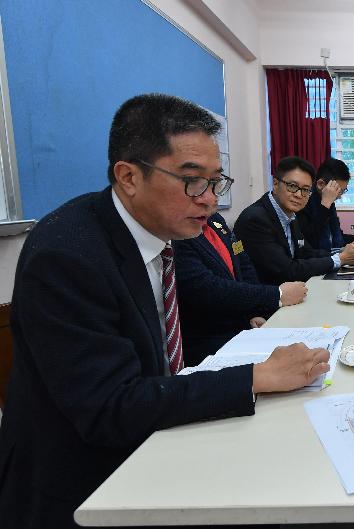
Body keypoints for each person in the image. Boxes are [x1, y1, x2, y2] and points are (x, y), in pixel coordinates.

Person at [0, 94, 330, 529]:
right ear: (129, 176)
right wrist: (257, 375)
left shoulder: (163, 234)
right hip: (87, 485)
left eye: (217, 182)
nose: (210, 200)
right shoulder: (68, 254)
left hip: (154, 436)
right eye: (193, 181)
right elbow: (109, 406)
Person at [173, 212, 308, 366]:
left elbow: (243, 262)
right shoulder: (180, 230)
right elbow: (207, 288)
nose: (211, 198)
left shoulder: (216, 219)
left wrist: (254, 312)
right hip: (210, 343)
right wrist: (277, 294)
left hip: (242, 326)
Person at [234, 156, 354, 284]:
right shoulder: (256, 219)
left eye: (306, 189)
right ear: (275, 184)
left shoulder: (290, 214)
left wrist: (342, 253)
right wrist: (341, 259)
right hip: (268, 300)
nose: (299, 195)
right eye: (293, 186)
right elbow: (287, 270)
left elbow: (306, 252)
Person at [296, 157, 354, 251]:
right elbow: (308, 241)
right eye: (338, 190)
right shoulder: (302, 202)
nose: (340, 196)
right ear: (320, 184)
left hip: (334, 258)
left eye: (343, 191)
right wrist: (325, 205)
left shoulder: (329, 203)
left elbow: (338, 238)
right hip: (317, 261)